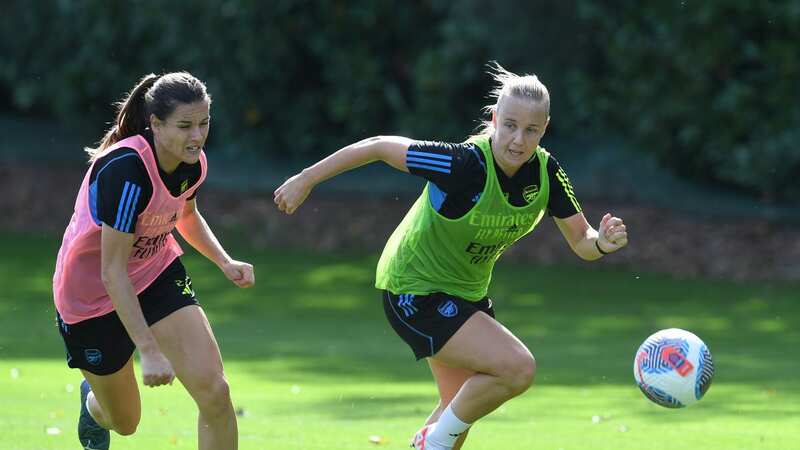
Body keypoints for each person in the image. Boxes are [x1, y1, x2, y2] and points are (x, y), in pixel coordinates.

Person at [273, 62, 628, 450]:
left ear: (544, 129)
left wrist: (602, 242)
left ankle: (431, 442)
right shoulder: (463, 164)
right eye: (509, 125)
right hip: (414, 289)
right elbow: (377, 146)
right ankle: (430, 442)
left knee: (456, 415)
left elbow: (582, 240)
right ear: (494, 119)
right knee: (516, 368)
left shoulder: (546, 173)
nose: (517, 140)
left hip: (465, 296)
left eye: (530, 130)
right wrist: (306, 178)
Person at [53, 72, 255, 450]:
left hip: (155, 273)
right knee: (124, 422)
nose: (197, 136)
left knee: (215, 392)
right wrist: (147, 349)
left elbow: (186, 216)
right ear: (156, 125)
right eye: (185, 126)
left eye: (204, 123)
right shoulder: (127, 172)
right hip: (92, 297)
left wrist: (224, 261)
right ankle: (92, 402)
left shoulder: (190, 162)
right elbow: (112, 273)